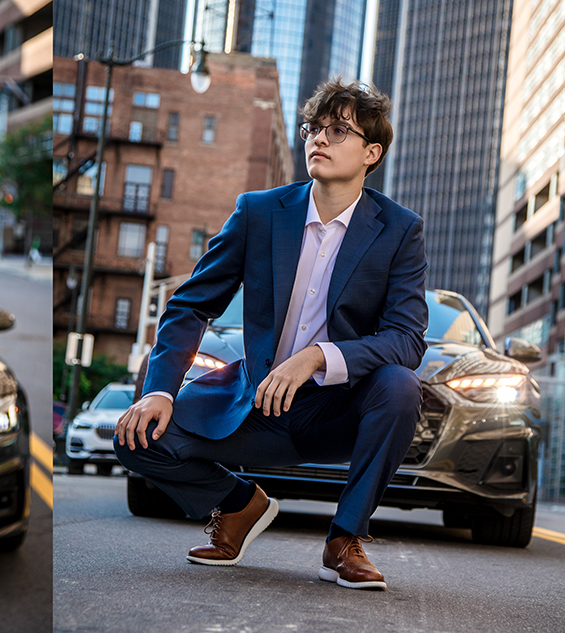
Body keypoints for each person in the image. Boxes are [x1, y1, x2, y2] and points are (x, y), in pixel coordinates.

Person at [114, 78, 428, 592]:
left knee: (400, 386)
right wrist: (158, 390)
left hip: (338, 408)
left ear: (372, 153)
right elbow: (191, 305)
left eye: (339, 131)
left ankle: (344, 539)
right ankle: (239, 504)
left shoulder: (399, 230)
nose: (319, 139)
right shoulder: (259, 213)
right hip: (255, 406)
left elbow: (407, 339)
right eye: (314, 128)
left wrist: (316, 358)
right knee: (135, 436)